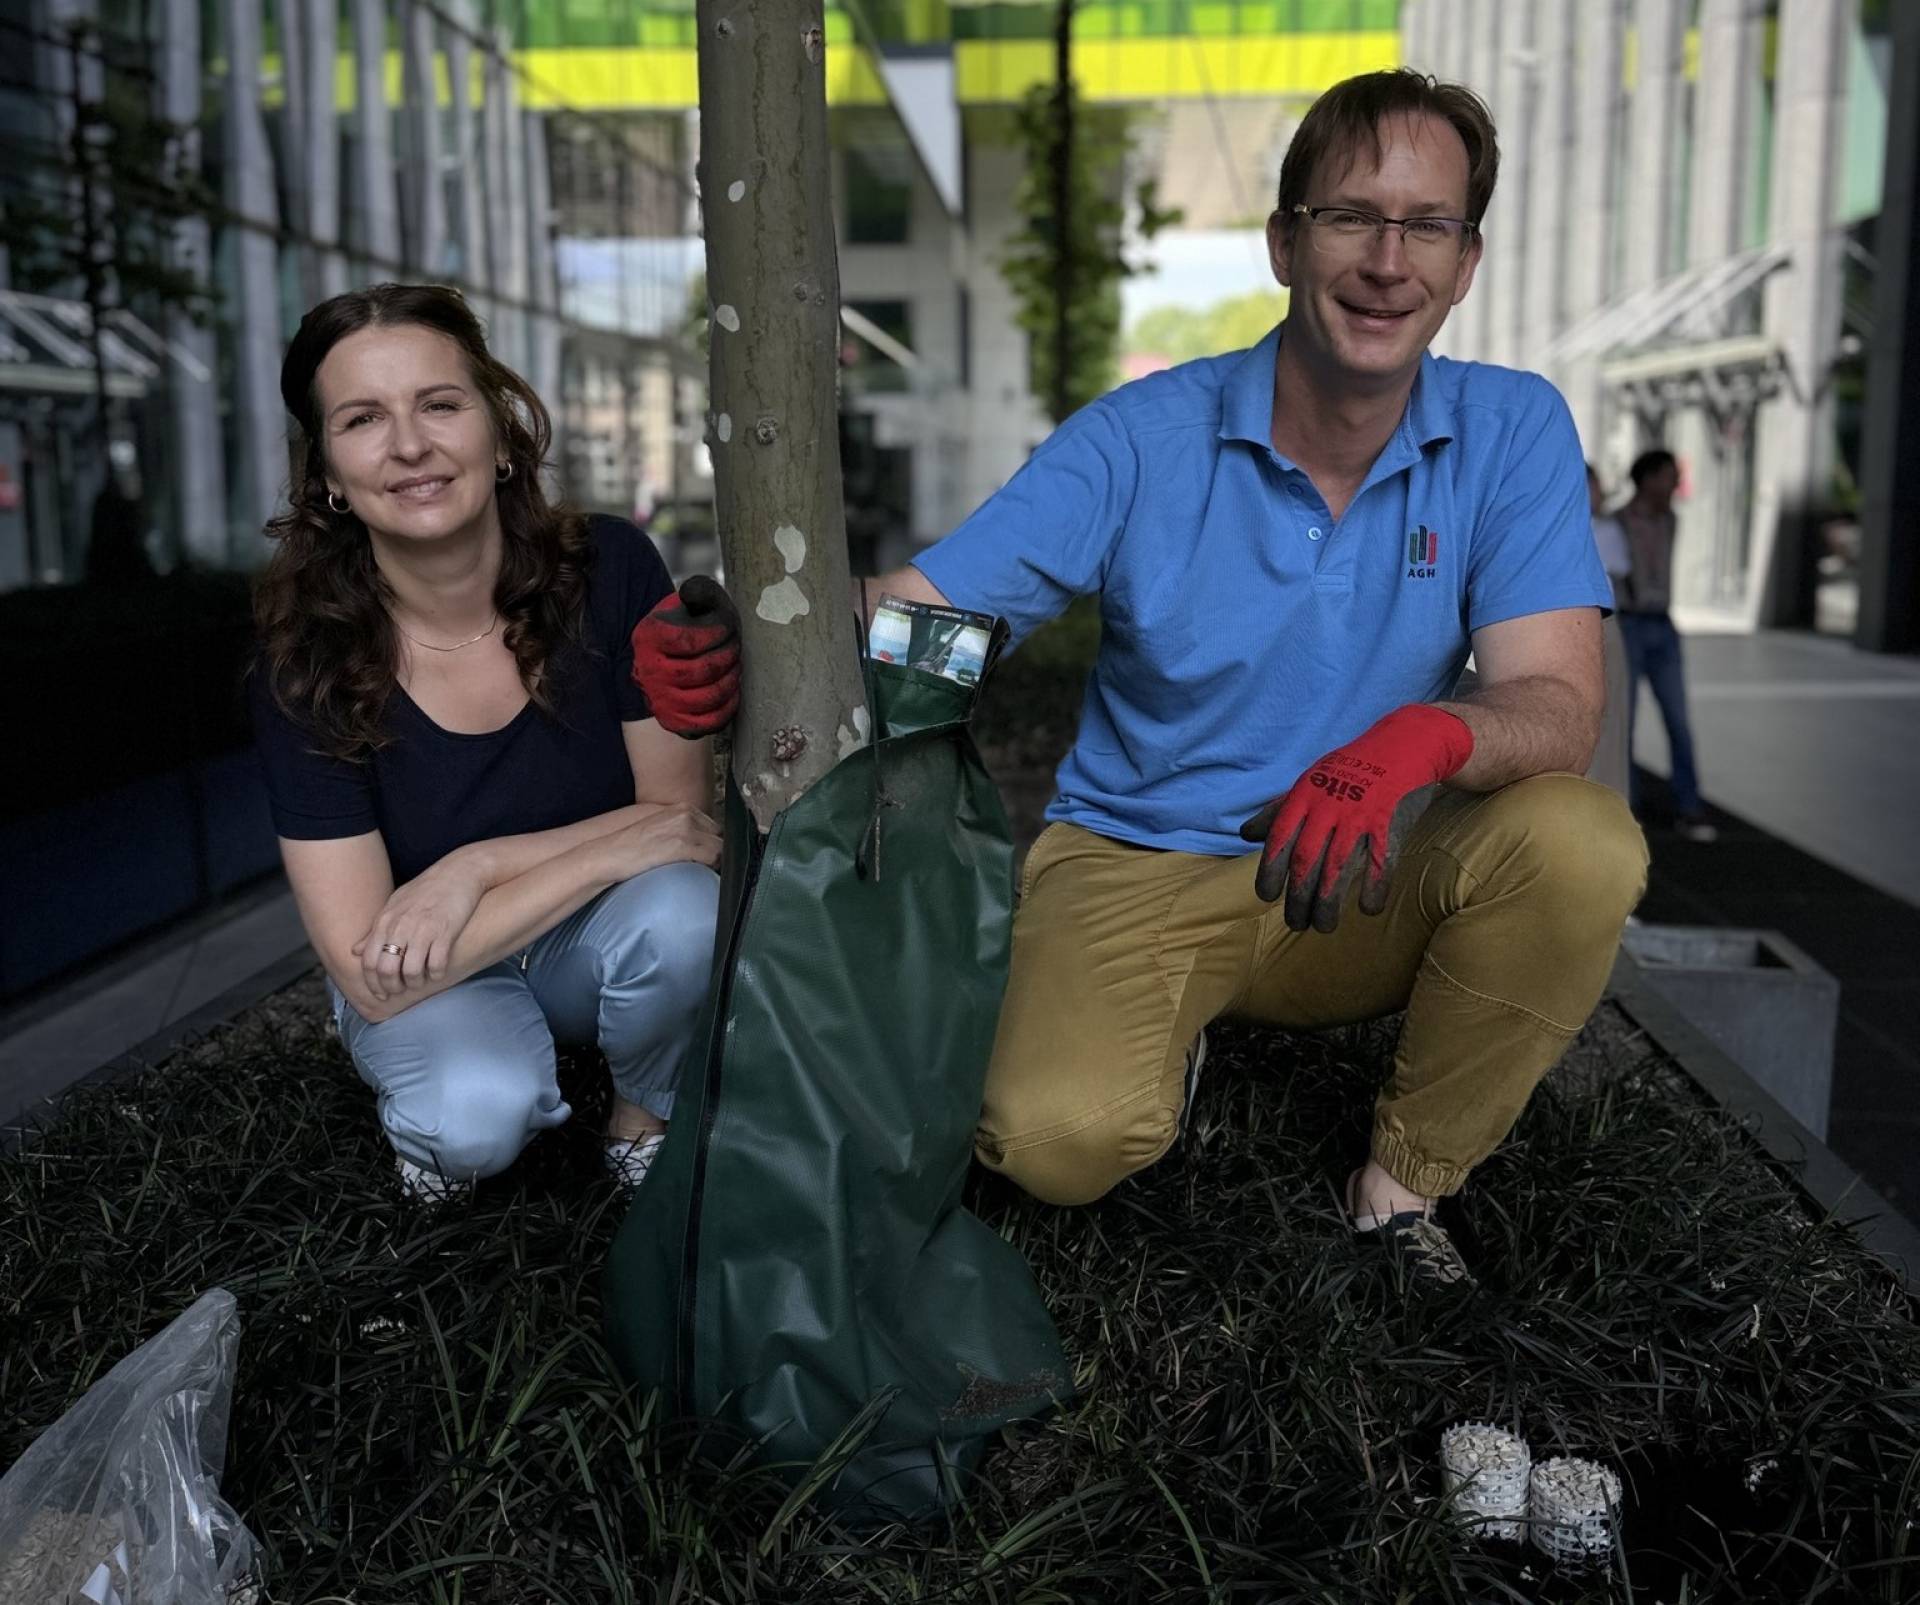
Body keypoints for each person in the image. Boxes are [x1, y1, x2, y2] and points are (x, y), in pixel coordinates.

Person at [636, 70, 1648, 1287]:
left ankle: (1401, 1189)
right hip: (1140, 859)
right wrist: (750, 630)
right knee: (1051, 1141)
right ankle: (1169, 1032)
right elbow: (937, 612)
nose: (1389, 260)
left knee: (1581, 842)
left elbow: (1556, 705)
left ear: (1467, 261)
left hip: (1362, 854)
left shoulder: (1512, 427)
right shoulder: (1142, 437)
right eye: (1349, 217)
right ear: (1284, 241)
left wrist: (1412, 747)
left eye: (1427, 224)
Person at [250, 283, 725, 1204]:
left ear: (500, 433)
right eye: (362, 419)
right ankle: (482, 1080)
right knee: (471, 1121)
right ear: (330, 479)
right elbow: (373, 974)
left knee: (683, 917)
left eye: (439, 403)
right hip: (426, 977)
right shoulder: (301, 662)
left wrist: (469, 866)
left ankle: (643, 1113)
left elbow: (683, 831)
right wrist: (623, 840)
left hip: (594, 936)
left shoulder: (614, 569)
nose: (411, 445)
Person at [1613, 447, 1717, 842]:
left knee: (1679, 721)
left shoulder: (1671, 520)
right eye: (1670, 475)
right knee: (1627, 720)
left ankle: (1688, 806)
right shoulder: (1617, 523)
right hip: (1630, 624)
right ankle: (1627, 807)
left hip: (1664, 626)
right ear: (1649, 478)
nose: (1676, 483)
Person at [1586, 463, 1633, 800]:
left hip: (1601, 622)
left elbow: (1617, 577)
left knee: (1608, 719)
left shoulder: (1606, 530)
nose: (1598, 494)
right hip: (1584, 623)